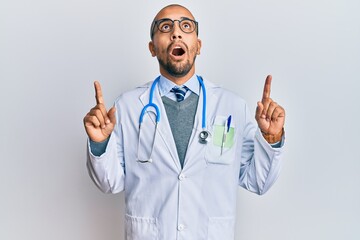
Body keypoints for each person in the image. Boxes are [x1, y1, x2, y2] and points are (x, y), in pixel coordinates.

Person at [83, 4, 285, 240]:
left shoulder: (232, 107)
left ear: (198, 46)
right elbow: (109, 182)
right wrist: (99, 144)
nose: (176, 33)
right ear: (152, 48)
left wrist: (272, 139)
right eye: (165, 27)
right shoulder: (127, 107)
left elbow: (258, 181)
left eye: (186, 26)